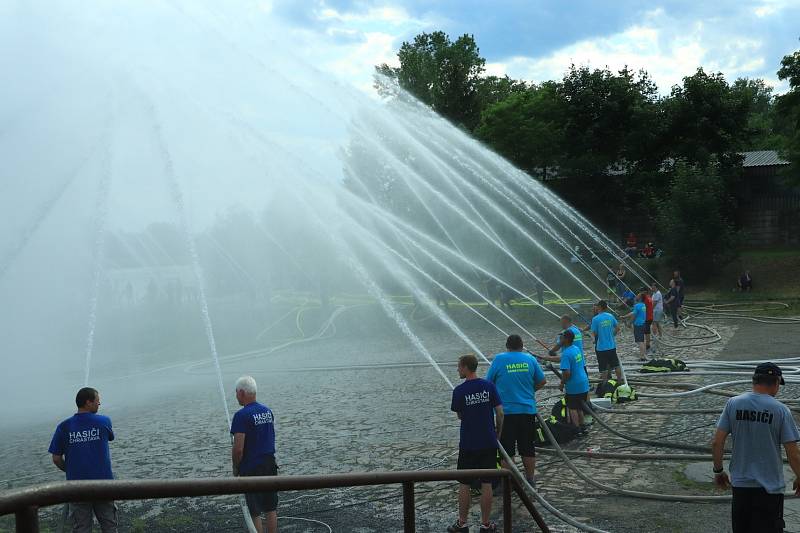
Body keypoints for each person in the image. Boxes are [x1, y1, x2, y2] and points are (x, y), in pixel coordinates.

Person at [712, 363, 800, 533]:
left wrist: (718, 470)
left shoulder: (733, 404)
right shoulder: (781, 411)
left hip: (741, 486)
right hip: (770, 489)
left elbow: (717, 441)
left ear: (754, 381)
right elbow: (793, 452)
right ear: (775, 383)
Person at [448, 354, 504, 533]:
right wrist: (497, 432)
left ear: (465, 367)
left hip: (468, 443)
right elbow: (500, 413)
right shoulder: (489, 386)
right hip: (488, 441)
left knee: (464, 483)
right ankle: (485, 524)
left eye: (458, 366)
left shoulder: (459, 391)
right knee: (487, 484)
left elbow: (460, 415)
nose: (457, 369)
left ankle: (462, 523)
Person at [49, 387, 117, 533]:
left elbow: (56, 458)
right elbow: (110, 437)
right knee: (109, 526)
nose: (99, 404)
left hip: (77, 486)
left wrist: (72, 470)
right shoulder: (104, 421)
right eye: (97, 401)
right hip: (104, 484)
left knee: (81, 528)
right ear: (88, 402)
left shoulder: (63, 426)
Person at [486, 335, 546, 486]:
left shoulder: (499, 359)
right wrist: (530, 392)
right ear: (521, 345)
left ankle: (508, 482)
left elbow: (488, 383)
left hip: (506, 413)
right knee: (527, 447)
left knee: (507, 450)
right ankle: (530, 479)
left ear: (507, 346)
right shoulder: (530, 359)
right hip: (527, 410)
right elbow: (542, 381)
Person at [231, 376, 278, 533]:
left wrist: (236, 467)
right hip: (270, 464)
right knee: (271, 507)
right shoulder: (267, 411)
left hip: (252, 468)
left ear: (242, 392)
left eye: (236, 392)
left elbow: (238, 449)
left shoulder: (241, 416)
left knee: (255, 510)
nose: (236, 395)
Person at [557, 330, 590, 428]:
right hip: (583, 383)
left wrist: (562, 383)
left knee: (572, 408)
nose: (560, 339)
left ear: (566, 339)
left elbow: (567, 373)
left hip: (574, 386)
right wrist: (544, 357)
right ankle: (583, 425)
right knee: (580, 407)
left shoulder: (566, 353)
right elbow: (562, 358)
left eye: (562, 337)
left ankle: (576, 429)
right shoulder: (575, 348)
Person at [589, 300, 622, 382]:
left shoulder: (595, 319)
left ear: (599, 307)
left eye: (597, 306)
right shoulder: (610, 316)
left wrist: (593, 339)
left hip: (601, 348)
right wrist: (612, 335)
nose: (595, 307)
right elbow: (618, 328)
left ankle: (604, 384)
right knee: (616, 365)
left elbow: (593, 333)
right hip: (611, 346)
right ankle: (619, 382)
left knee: (603, 368)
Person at [621, 293, 647, 361]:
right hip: (643, 324)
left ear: (640, 298)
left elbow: (634, 316)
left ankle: (642, 357)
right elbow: (633, 313)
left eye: (638, 295)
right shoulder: (643, 305)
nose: (636, 296)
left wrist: (629, 322)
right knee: (642, 340)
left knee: (639, 341)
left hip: (638, 325)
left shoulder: (637, 305)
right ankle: (643, 355)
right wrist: (624, 316)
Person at [642, 288, 654, 355]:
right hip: (650, 317)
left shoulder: (646, 299)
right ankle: (647, 344)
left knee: (647, 332)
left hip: (647, 318)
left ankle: (648, 345)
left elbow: (643, 309)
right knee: (647, 331)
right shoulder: (649, 297)